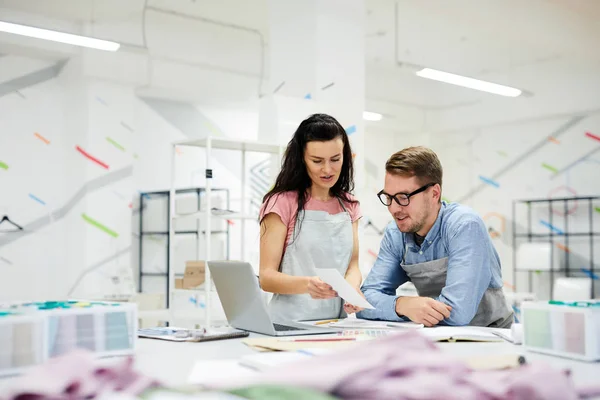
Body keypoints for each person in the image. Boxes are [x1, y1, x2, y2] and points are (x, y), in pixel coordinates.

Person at [357, 146, 513, 328]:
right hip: (438, 336)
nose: (393, 208)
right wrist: (403, 305)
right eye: (389, 197)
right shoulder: (396, 234)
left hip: (492, 336)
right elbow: (363, 301)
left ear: (434, 193)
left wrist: (400, 308)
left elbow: (457, 313)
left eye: (403, 197)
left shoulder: (464, 225)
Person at [259, 113, 363, 322]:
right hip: (288, 324)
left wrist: (352, 290)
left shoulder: (349, 204)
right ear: (302, 159)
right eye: (317, 161)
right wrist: (307, 285)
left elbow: (352, 266)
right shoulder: (280, 203)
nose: (327, 169)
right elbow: (266, 277)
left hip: (336, 324)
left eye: (335, 159)